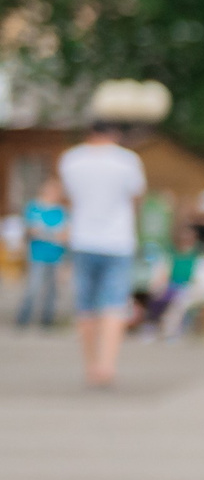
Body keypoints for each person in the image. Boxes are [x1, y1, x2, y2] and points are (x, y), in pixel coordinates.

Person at [60, 116, 149, 387]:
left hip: (82, 239)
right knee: (114, 304)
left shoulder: (71, 160)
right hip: (118, 241)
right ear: (116, 134)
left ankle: (90, 365)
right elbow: (136, 198)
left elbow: (69, 199)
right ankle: (107, 365)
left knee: (85, 306)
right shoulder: (127, 161)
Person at [16, 173, 68, 328]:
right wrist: (52, 233)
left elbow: (66, 235)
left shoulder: (61, 211)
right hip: (37, 254)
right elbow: (30, 230)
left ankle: (47, 320)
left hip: (56, 255)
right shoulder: (34, 207)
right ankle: (23, 318)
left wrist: (45, 232)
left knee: (52, 290)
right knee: (33, 287)